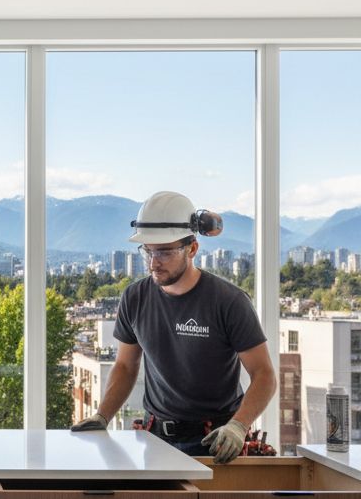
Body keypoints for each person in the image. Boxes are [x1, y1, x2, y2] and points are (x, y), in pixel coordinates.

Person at [71, 191, 276, 462]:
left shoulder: (228, 302)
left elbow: (264, 375)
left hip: (216, 443)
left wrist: (239, 426)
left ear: (192, 249)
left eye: (165, 252)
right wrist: (102, 415)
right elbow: (125, 365)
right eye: (148, 251)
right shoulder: (135, 298)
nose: (154, 262)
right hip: (155, 440)